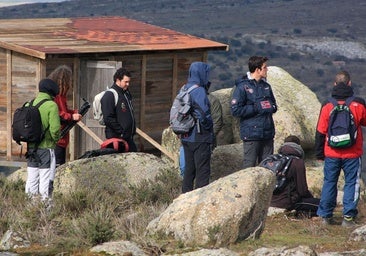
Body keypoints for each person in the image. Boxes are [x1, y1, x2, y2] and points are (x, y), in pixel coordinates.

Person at [315, 70, 366, 227]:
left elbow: (320, 131)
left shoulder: (327, 105)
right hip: (352, 153)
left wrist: (319, 153)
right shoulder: (358, 104)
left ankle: (325, 216)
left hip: (331, 152)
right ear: (349, 83)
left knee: (329, 182)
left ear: (335, 84)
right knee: (351, 183)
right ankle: (348, 217)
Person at [230, 56, 277, 168]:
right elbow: (235, 110)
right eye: (265, 67)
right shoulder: (242, 87)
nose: (267, 70)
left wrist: (271, 107)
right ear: (257, 70)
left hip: (267, 133)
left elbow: (274, 105)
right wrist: (256, 107)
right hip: (251, 134)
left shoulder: (266, 86)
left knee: (267, 167)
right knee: (249, 167)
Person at [25, 78, 61, 202]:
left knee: (32, 179)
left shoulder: (29, 104)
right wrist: (56, 140)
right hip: (46, 148)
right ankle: (46, 210)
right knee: (46, 181)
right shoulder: (51, 105)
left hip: (30, 149)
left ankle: (30, 209)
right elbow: (55, 130)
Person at [181, 62, 214, 193]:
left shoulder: (184, 88)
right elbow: (203, 114)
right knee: (202, 171)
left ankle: (184, 199)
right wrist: (209, 127)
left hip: (186, 135)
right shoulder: (199, 90)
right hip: (199, 136)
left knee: (189, 170)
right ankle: (200, 200)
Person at [270, 135, 320, 218]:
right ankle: (301, 214)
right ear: (298, 147)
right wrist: (311, 198)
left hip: (269, 201)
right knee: (325, 205)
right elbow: (302, 191)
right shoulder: (297, 162)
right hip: (287, 202)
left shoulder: (274, 159)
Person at [48, 65, 82, 166]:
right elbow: (56, 114)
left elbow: (64, 111)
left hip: (61, 139)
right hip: (56, 139)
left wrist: (74, 112)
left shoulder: (61, 95)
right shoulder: (55, 95)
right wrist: (71, 117)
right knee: (56, 168)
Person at [101, 67, 137, 152]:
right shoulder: (109, 95)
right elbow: (108, 118)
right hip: (116, 140)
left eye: (129, 82)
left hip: (127, 138)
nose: (128, 84)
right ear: (118, 80)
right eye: (126, 82)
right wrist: (121, 132)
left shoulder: (126, 94)